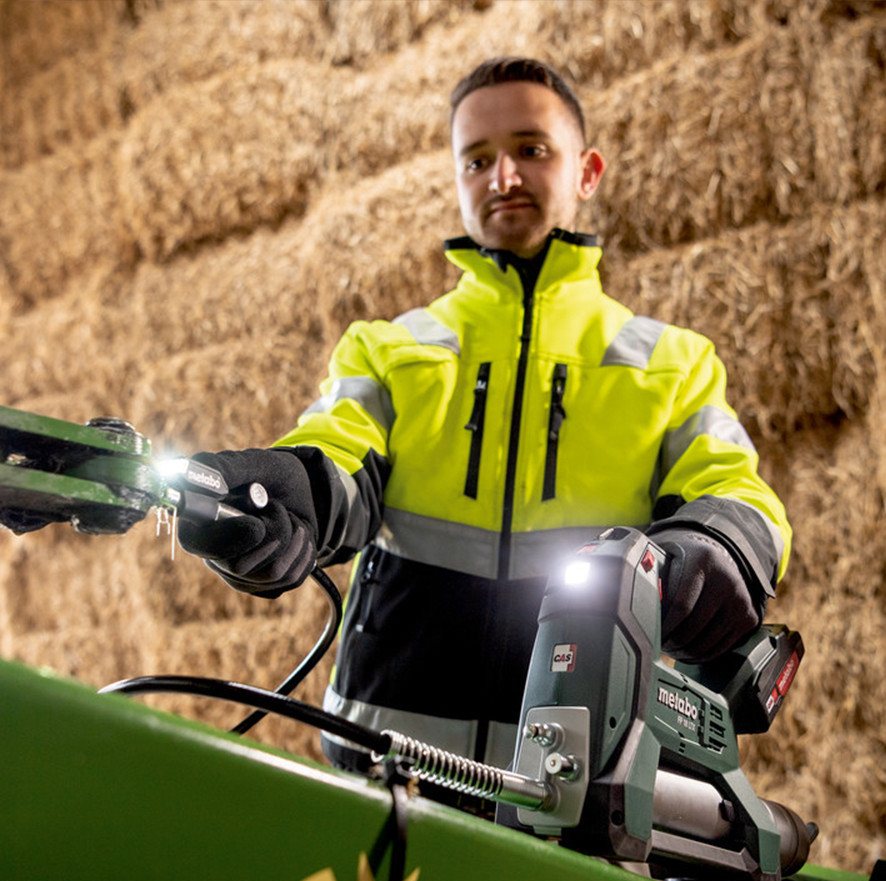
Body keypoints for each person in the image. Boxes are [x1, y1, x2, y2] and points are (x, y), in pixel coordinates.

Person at [178, 57, 791, 778]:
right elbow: (335, 455)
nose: (503, 178)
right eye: (477, 160)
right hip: (387, 764)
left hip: (575, 781)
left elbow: (736, 489)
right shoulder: (389, 348)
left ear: (588, 172)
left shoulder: (672, 363)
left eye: (532, 149)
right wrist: (289, 494)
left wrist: (722, 544)